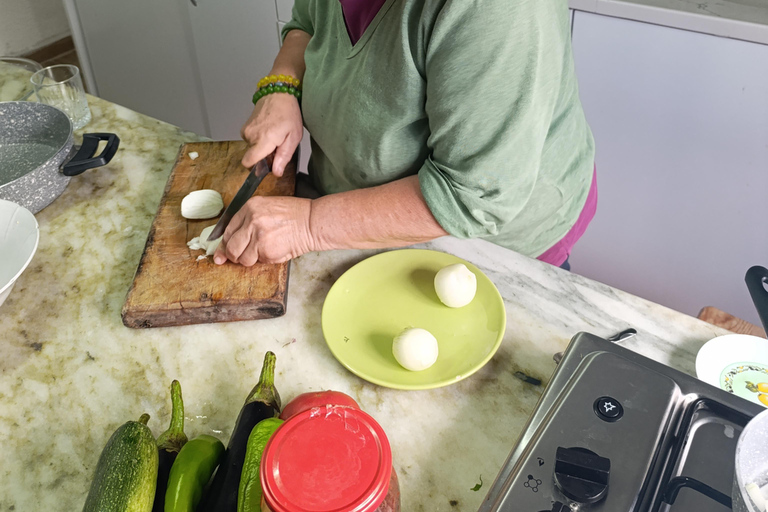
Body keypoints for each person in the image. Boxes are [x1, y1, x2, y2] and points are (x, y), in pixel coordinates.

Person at [213, 0, 597, 271]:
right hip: (349, 219)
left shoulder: (498, 10)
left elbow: (470, 194)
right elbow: (306, 21)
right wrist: (281, 85)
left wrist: (310, 225)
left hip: (486, 246)